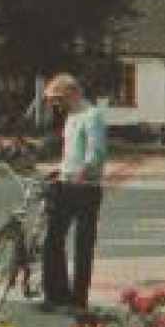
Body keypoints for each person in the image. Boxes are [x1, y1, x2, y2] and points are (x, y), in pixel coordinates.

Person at [40, 73, 107, 314]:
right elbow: (72, 152)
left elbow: (96, 151)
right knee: (53, 240)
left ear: (72, 93)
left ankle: (79, 300)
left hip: (86, 188)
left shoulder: (92, 116)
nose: (57, 105)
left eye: (59, 99)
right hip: (66, 184)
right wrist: (60, 170)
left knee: (83, 244)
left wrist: (84, 171)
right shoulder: (71, 117)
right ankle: (56, 294)